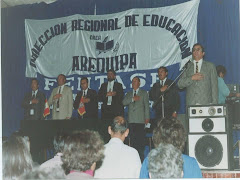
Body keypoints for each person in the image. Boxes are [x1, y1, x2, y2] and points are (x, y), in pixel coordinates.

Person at [122, 76, 150, 161]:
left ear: (139, 83)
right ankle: (133, 159)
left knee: (140, 143)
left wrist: (147, 118)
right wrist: (132, 99)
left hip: (140, 121)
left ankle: (141, 160)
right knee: (133, 142)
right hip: (131, 121)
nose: (133, 83)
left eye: (135, 81)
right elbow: (123, 103)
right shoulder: (129, 94)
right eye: (132, 81)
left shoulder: (144, 93)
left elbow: (146, 107)